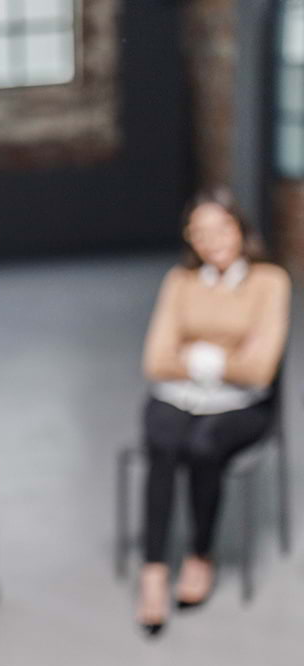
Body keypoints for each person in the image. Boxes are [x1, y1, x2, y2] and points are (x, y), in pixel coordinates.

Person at [136, 190, 290, 636]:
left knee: (204, 446)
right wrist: (227, 359)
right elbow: (155, 359)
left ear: (240, 229)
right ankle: (154, 570)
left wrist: (197, 356)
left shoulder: (270, 281)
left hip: (243, 407)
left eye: (221, 228)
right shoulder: (178, 282)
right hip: (175, 397)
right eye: (199, 232)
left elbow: (260, 371)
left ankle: (200, 554)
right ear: (190, 239)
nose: (212, 240)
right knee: (162, 442)